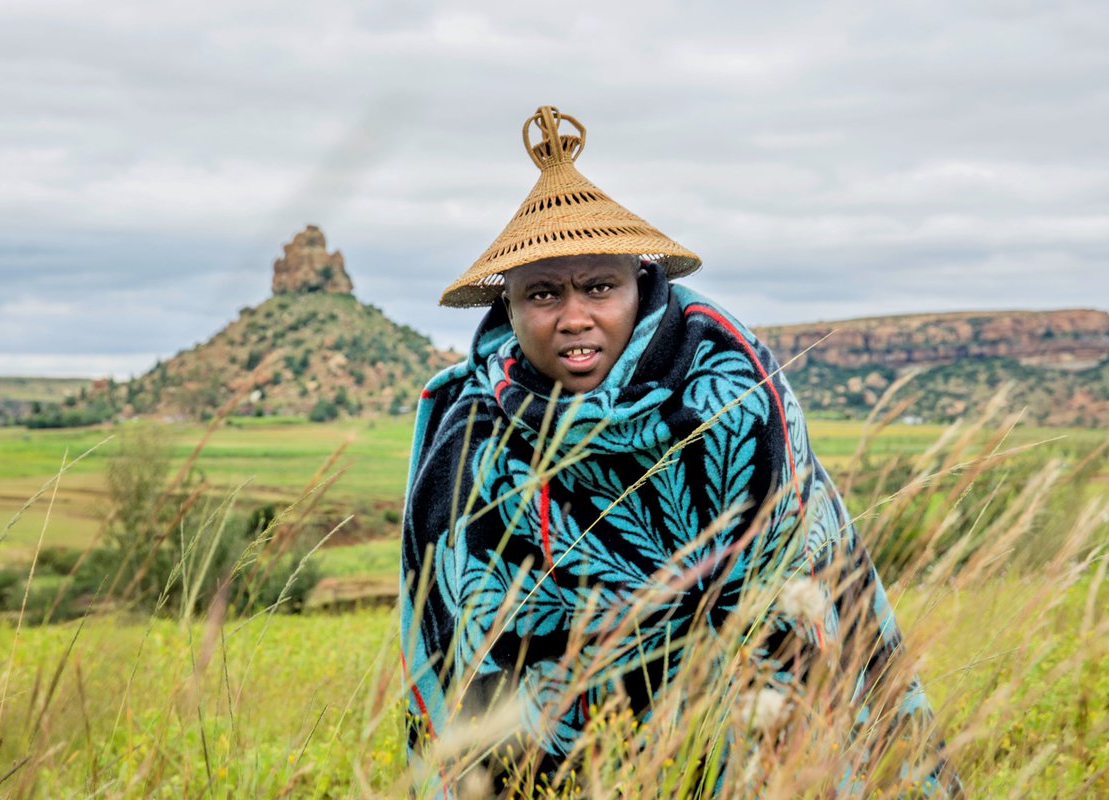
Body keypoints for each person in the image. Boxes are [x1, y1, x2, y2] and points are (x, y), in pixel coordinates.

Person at [399, 106, 959, 797]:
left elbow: (791, 591)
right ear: (506, 308)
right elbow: (466, 643)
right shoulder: (470, 430)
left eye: (599, 286)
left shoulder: (733, 393)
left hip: (745, 733)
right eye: (542, 294)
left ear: (640, 284)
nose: (574, 317)